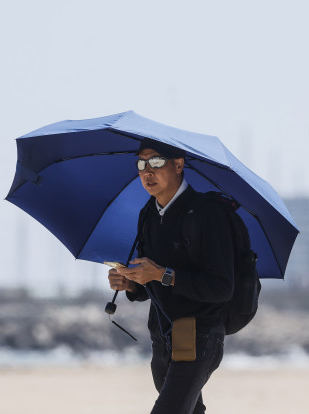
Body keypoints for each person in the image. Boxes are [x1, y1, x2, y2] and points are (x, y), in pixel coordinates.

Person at [107, 138, 235, 414]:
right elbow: (147, 287)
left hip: (199, 332)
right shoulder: (148, 214)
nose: (146, 171)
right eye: (141, 163)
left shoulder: (208, 213)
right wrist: (130, 283)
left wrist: (163, 274)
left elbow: (222, 287)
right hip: (162, 334)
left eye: (155, 162)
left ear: (179, 164)